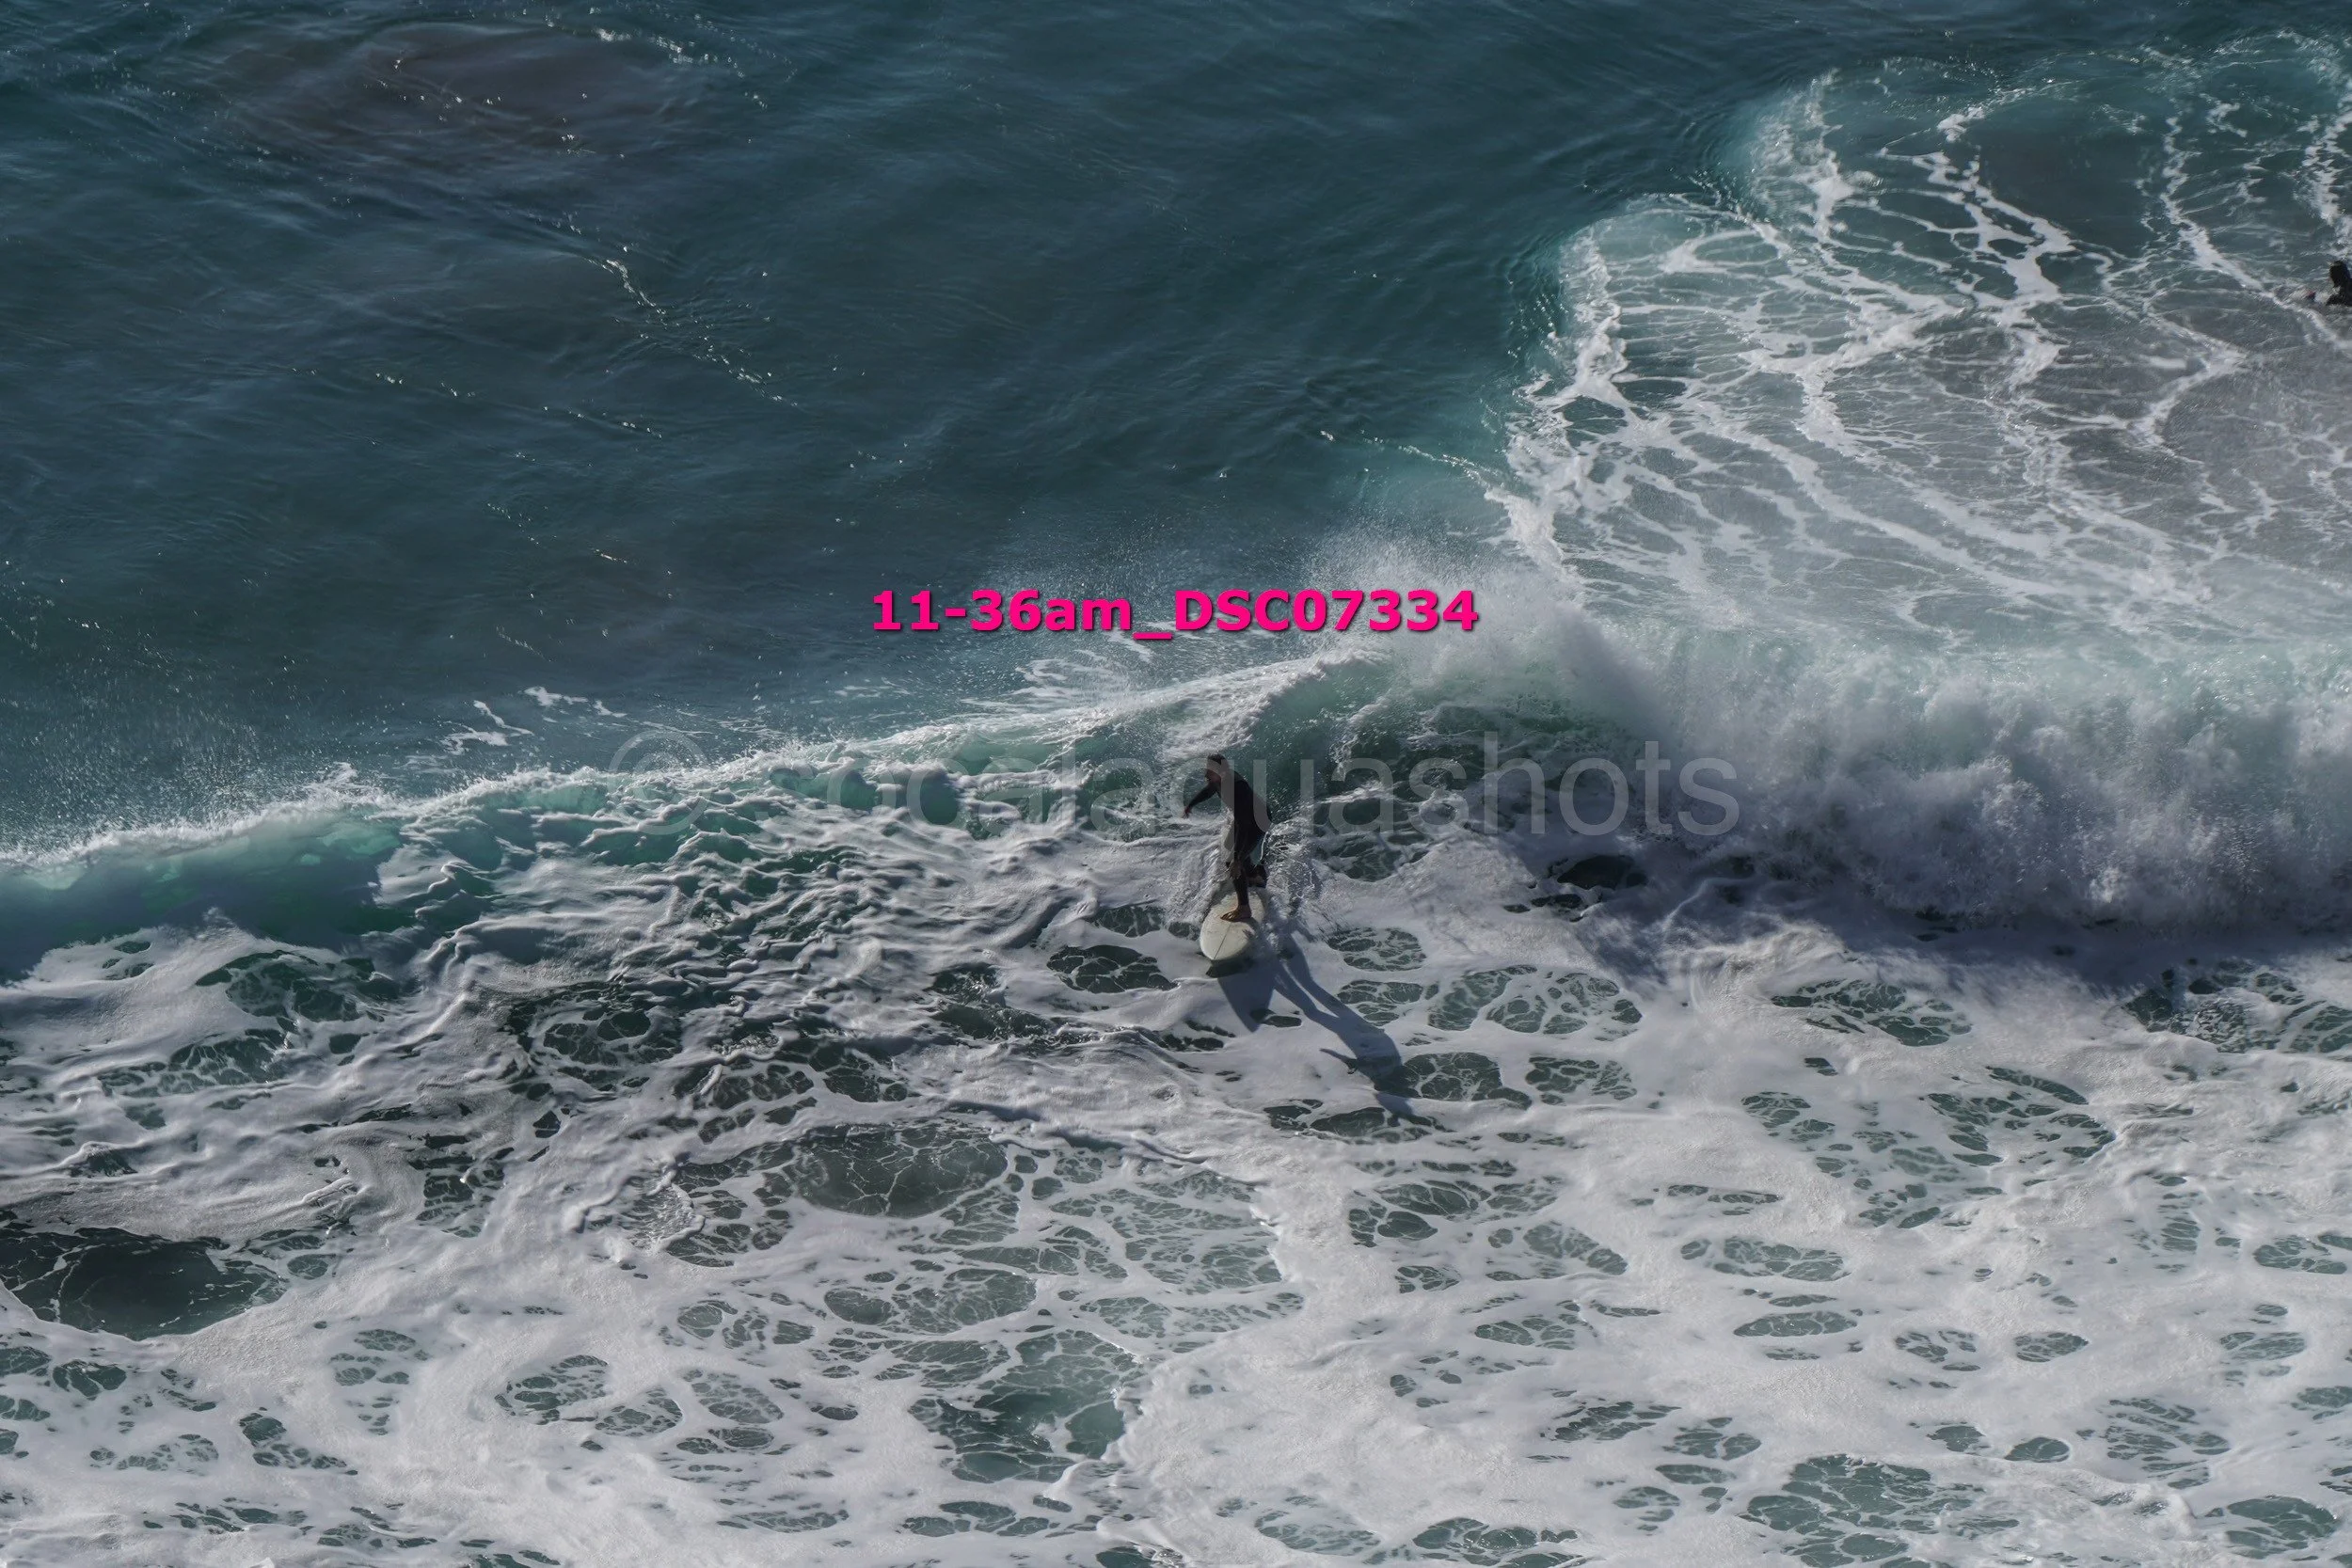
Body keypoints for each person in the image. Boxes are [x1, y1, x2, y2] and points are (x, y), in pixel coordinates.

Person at [1183, 753, 1270, 924]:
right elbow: (1209, 790)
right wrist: (1191, 804)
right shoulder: (1218, 780)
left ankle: (1244, 909)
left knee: (1233, 861)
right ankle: (1253, 876)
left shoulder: (1237, 789)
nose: (1205, 775)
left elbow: (1245, 827)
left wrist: (1237, 858)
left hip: (1257, 821)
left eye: (1209, 771)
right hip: (1244, 819)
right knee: (1233, 854)